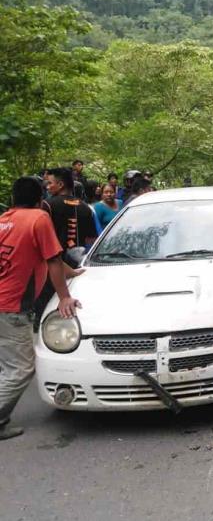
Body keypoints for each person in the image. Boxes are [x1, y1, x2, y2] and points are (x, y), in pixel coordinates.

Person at [0, 177, 82, 440]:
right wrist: (65, 297)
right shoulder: (38, 218)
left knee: (5, 365)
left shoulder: (4, 220)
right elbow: (53, 260)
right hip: (11, 307)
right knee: (20, 368)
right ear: (40, 199)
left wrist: (75, 272)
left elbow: (51, 259)